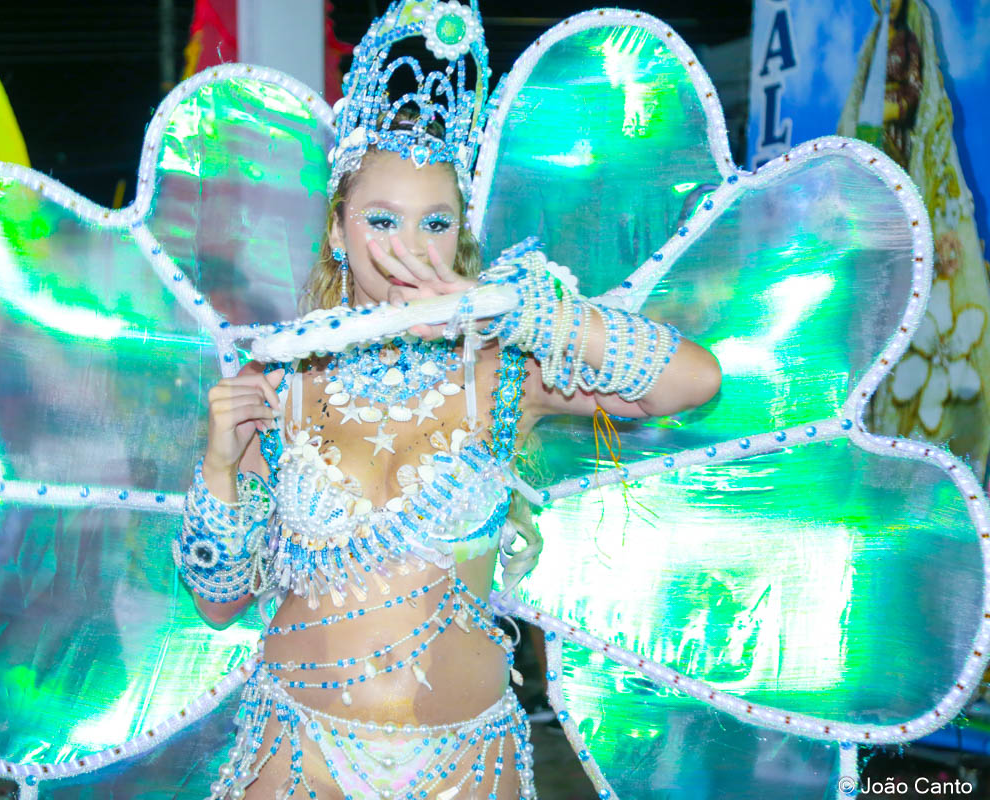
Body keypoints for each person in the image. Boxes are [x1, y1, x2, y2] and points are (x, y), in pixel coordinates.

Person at [174, 7, 720, 795]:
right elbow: (219, 603)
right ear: (338, 232)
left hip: (466, 766)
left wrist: (524, 311)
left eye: (435, 222)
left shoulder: (502, 372)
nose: (409, 248)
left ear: (460, 233)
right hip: (298, 757)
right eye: (381, 220)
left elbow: (693, 380)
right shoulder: (285, 380)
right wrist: (220, 468)